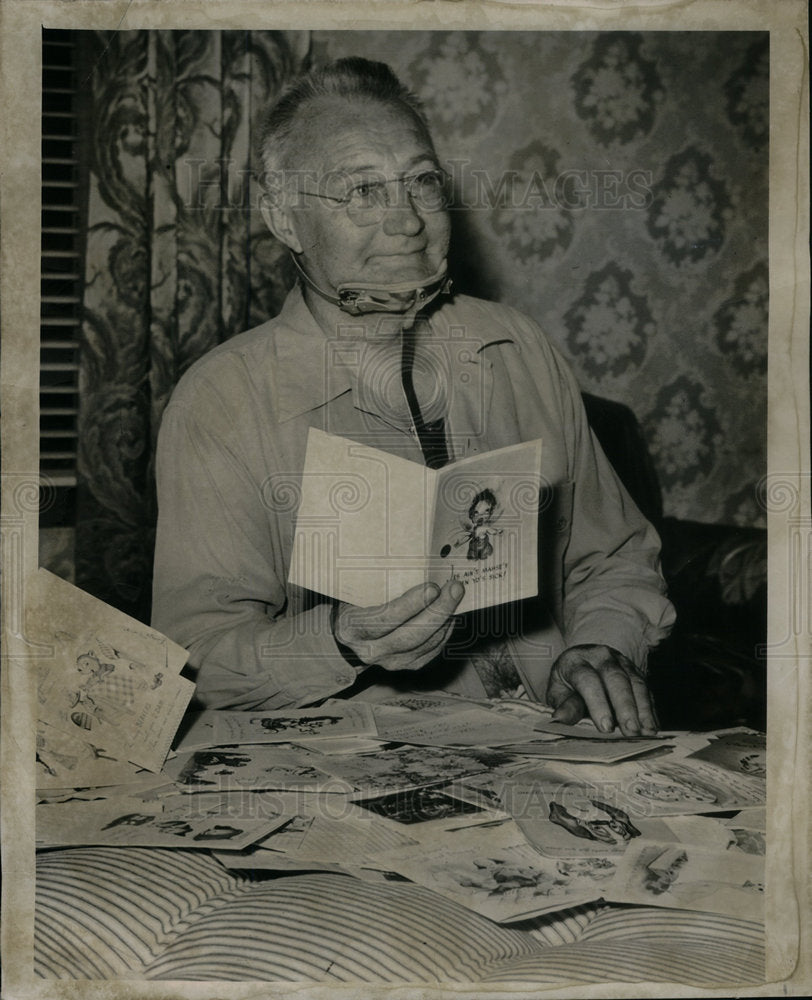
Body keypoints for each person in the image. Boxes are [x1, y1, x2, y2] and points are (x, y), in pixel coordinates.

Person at [152, 57, 675, 737]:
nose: (407, 223)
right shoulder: (223, 400)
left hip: (554, 746)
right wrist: (339, 642)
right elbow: (196, 661)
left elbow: (613, 556)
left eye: (422, 182)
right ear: (283, 217)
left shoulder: (517, 348)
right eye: (362, 190)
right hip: (353, 779)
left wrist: (600, 646)